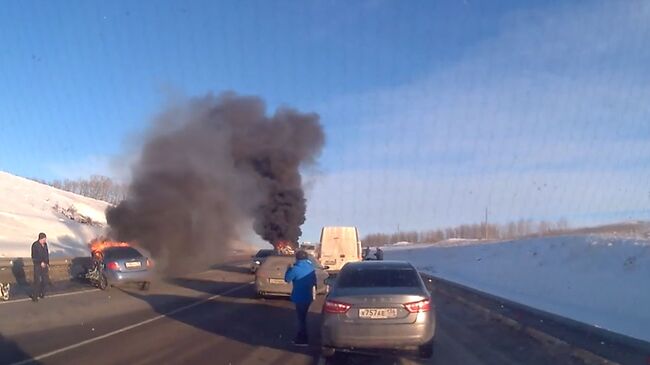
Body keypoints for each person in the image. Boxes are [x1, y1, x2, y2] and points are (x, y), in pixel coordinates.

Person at [284, 250, 316, 346]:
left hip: (299, 297)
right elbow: (314, 281)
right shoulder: (311, 268)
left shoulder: (295, 269)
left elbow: (287, 279)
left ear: (297, 258)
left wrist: (288, 269)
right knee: (303, 318)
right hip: (308, 297)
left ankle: (302, 339)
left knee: (301, 319)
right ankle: (302, 337)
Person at [31, 232, 50, 302]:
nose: (45, 240)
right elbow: (33, 256)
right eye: (44, 239)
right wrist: (40, 262)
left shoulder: (45, 245)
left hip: (44, 265)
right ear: (41, 238)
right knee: (37, 281)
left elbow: (46, 254)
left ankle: (42, 292)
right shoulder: (35, 245)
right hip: (37, 265)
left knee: (45, 280)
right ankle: (35, 296)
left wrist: (47, 263)